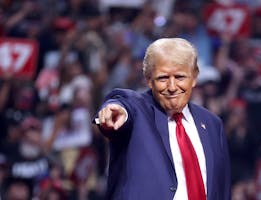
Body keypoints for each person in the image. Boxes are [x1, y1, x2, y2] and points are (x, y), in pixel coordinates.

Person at [93, 38, 231, 199]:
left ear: (194, 78)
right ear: (149, 80)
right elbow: (122, 103)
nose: (172, 87)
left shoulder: (212, 124)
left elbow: (221, 189)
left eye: (180, 77)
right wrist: (115, 112)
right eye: (163, 78)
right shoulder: (137, 110)